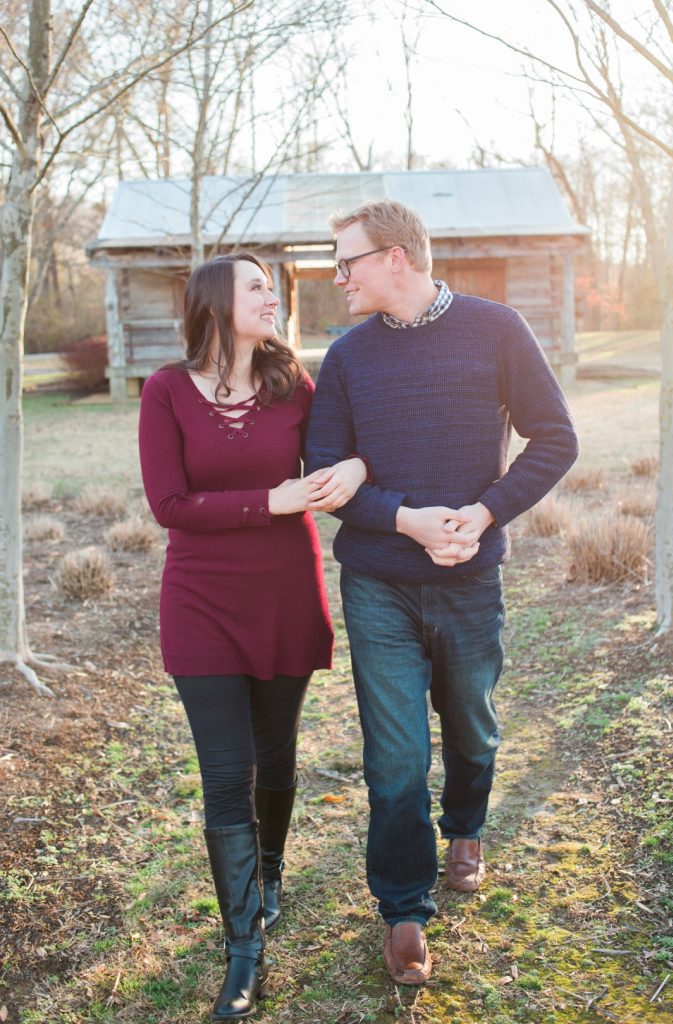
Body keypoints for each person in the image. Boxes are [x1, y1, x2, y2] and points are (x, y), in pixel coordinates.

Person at [305, 200, 579, 986]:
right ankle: (402, 910)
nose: (337, 277)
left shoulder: (497, 330)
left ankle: (465, 827)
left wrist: (485, 510)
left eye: (345, 261)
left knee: (472, 729)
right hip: (379, 586)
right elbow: (325, 473)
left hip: (469, 579)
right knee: (394, 758)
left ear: (394, 257)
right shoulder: (347, 357)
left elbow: (554, 437)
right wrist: (405, 519)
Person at [138, 253, 367, 1020]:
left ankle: (269, 874)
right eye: (258, 287)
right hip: (199, 599)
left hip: (283, 595)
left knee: (276, 754)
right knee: (224, 773)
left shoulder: (293, 384)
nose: (273, 296)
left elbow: (332, 468)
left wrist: (357, 469)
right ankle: (244, 950)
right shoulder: (166, 390)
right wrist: (269, 500)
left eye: (275, 286)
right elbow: (169, 502)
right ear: (215, 302)